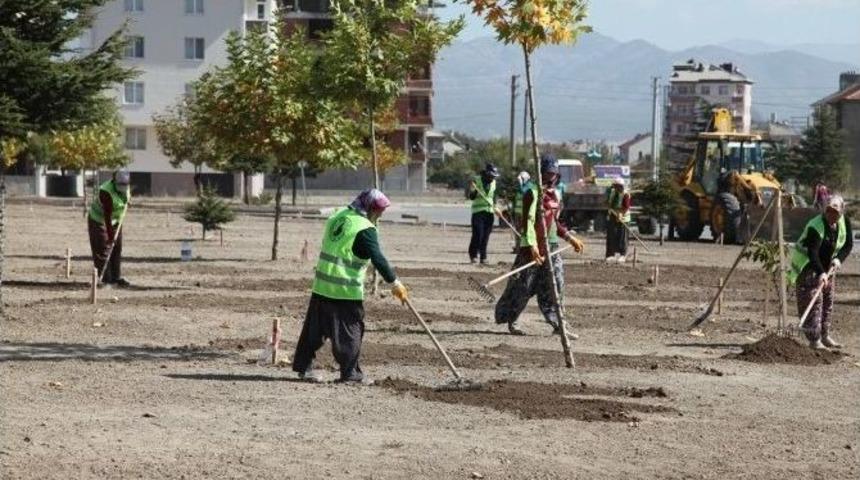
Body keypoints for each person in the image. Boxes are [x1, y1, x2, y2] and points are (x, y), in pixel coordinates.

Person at [292, 189, 408, 384]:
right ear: (370, 208)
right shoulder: (365, 228)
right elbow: (377, 258)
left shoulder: (337, 216)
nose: (380, 215)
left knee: (313, 331)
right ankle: (350, 374)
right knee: (350, 333)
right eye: (378, 211)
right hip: (345, 290)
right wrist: (395, 283)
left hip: (322, 286)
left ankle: (304, 368)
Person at [495, 154, 584, 336]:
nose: (550, 178)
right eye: (547, 173)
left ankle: (559, 324)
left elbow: (553, 224)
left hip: (551, 248)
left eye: (553, 174)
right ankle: (513, 320)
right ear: (540, 173)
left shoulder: (555, 195)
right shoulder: (532, 193)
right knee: (522, 286)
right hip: (531, 248)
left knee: (555, 285)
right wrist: (532, 245)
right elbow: (527, 222)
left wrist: (569, 237)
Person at [788, 194, 853, 350]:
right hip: (808, 266)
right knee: (813, 301)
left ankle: (824, 335)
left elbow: (848, 244)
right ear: (825, 210)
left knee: (827, 301)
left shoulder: (844, 222)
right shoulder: (815, 226)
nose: (831, 215)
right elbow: (813, 253)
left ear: (842, 211)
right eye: (829, 211)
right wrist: (821, 273)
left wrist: (838, 260)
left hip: (828, 266)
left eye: (835, 212)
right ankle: (814, 339)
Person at [88, 170, 131, 287]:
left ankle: (116, 278)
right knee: (103, 249)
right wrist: (111, 237)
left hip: (116, 220)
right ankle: (106, 279)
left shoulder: (126, 186)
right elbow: (107, 217)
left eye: (125, 184)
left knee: (117, 248)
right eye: (120, 184)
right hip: (99, 220)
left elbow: (125, 200)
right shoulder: (105, 191)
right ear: (114, 181)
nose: (123, 187)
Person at [467, 163, 500, 264]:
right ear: (486, 174)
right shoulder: (476, 181)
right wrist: (474, 190)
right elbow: (471, 197)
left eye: (494, 176)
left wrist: (496, 207)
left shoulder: (494, 183)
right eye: (491, 176)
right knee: (478, 234)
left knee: (486, 236)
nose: (493, 178)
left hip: (489, 212)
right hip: (478, 212)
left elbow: (493, 196)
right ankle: (473, 255)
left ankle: (483, 257)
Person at [605, 177, 631, 262]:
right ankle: (610, 254)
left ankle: (623, 255)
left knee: (622, 237)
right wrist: (608, 205)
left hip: (623, 218)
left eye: (618, 186)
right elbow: (609, 202)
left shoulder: (625, 194)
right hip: (612, 216)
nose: (616, 188)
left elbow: (626, 207)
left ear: (621, 186)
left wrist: (620, 214)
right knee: (611, 236)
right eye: (615, 186)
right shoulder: (613, 192)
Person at [510, 171, 533, 252]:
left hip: (525, 213)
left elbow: (524, 193)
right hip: (518, 213)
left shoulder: (529, 186)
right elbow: (515, 200)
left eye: (522, 179)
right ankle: (518, 247)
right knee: (517, 231)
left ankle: (524, 248)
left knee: (524, 231)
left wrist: (520, 184)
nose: (520, 180)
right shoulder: (519, 188)